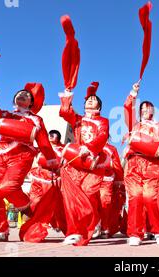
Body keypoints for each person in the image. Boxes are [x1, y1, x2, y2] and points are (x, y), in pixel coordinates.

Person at [0, 67, 57, 242]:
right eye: (19, 94)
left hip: (21, 156)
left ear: (31, 102)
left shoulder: (36, 120)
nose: (22, 95)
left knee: (8, 187)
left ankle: (26, 208)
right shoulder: (6, 115)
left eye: (26, 95)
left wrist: (53, 161)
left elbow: (44, 142)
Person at [123, 82, 159, 246]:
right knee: (135, 198)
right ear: (139, 111)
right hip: (134, 163)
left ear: (153, 111)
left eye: (149, 108)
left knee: (149, 198)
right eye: (143, 108)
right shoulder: (134, 125)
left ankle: (158, 230)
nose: (146, 110)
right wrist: (133, 92)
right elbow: (127, 108)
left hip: (152, 165)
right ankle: (135, 233)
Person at [58, 82, 109, 246]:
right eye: (88, 99)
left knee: (87, 195)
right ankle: (74, 232)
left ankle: (90, 225)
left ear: (99, 106)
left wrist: (90, 148)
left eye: (94, 100)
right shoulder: (78, 119)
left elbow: (102, 136)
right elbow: (65, 112)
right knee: (71, 197)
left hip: (92, 163)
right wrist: (67, 95)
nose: (90, 100)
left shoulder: (103, 121)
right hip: (75, 161)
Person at [19, 130, 67, 242]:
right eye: (49, 134)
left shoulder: (62, 149)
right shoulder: (42, 147)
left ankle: (66, 228)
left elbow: (66, 163)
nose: (50, 136)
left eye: (53, 134)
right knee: (34, 204)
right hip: (38, 177)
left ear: (58, 137)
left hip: (53, 181)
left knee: (56, 206)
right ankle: (29, 229)